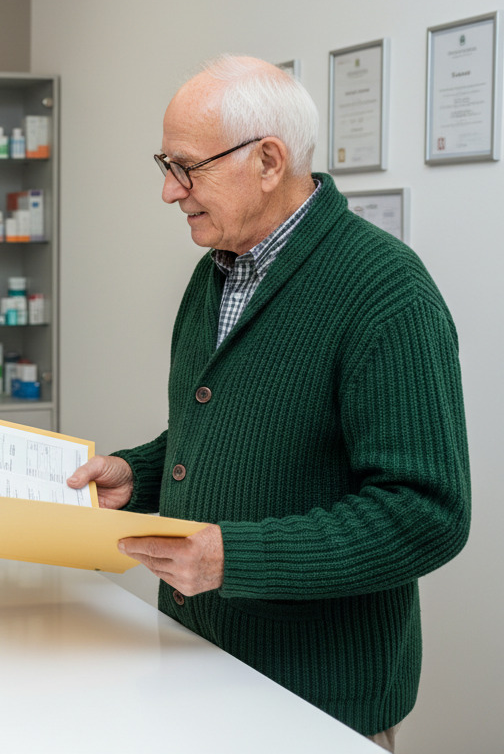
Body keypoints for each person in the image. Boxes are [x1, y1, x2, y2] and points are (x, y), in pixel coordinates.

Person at [67, 55, 470, 751]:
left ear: (268, 160)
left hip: (319, 699)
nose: (169, 191)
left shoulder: (385, 293)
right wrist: (141, 474)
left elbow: (427, 514)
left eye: (186, 167)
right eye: (165, 165)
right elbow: (234, 431)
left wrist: (236, 558)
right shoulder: (215, 271)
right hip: (198, 661)